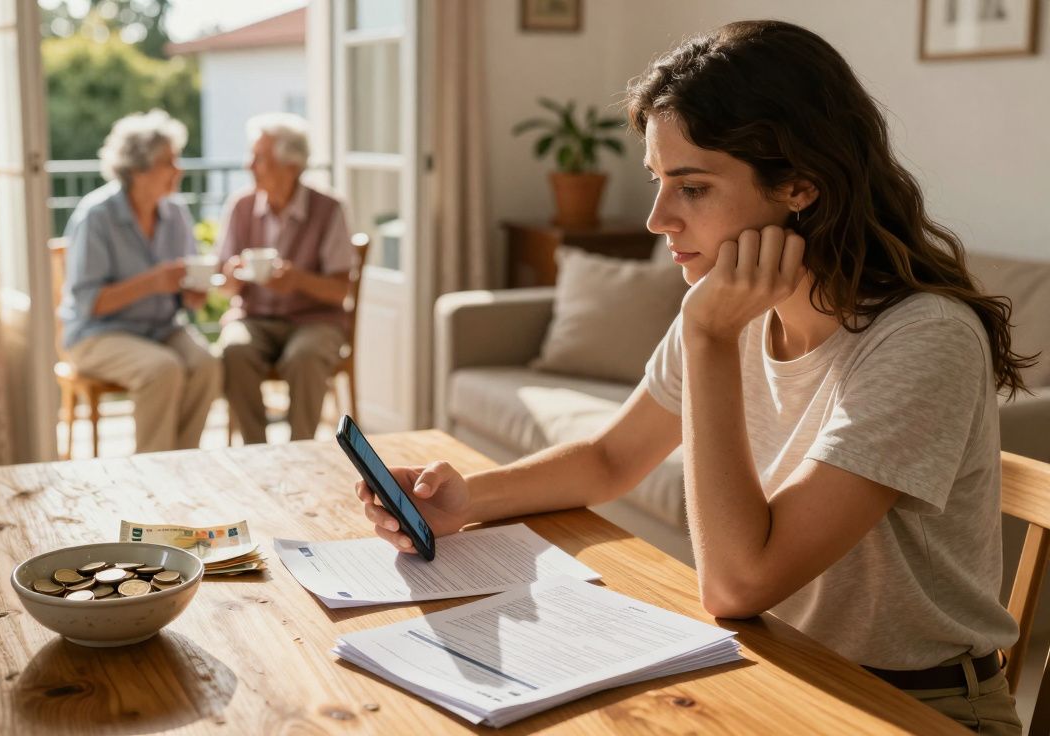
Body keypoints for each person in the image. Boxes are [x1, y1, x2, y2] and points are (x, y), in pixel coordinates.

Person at [354, 21, 1034, 734]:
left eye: (693, 187)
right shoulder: (729, 305)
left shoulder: (923, 339)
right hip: (781, 673)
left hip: (911, 707)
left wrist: (710, 338)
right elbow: (610, 457)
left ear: (801, 183)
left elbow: (738, 583)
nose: (657, 219)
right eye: (658, 181)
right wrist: (462, 500)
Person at [59, 110, 220, 453]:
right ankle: (153, 471)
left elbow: (188, 288)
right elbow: (90, 302)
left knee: (206, 365)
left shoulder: (175, 212)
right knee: (163, 369)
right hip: (97, 334)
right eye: (169, 162)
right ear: (137, 170)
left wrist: (194, 293)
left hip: (160, 329)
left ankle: (182, 462)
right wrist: (152, 282)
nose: (179, 170)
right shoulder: (97, 216)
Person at [216, 113, 354, 444]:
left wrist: (298, 280)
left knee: (304, 357)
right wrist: (233, 277)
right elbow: (224, 286)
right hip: (254, 319)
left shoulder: (329, 209)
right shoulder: (241, 207)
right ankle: (255, 450)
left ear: (290, 165)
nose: (249, 165)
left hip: (315, 321)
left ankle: (302, 448)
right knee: (234, 349)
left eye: (259, 157)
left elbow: (340, 291)